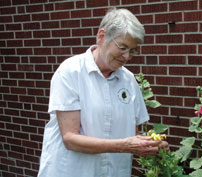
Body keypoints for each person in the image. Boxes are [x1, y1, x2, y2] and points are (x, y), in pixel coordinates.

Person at [38, 8, 169, 177]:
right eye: (122, 47)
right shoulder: (70, 72)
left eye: (133, 50)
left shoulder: (129, 80)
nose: (127, 56)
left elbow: (132, 135)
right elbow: (70, 139)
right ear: (102, 36)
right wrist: (125, 145)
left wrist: (148, 145)